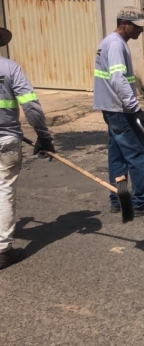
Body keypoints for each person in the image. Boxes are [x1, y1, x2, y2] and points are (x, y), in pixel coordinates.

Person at [93, 7, 144, 216]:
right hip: (121, 110)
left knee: (117, 157)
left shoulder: (109, 42)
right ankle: (142, 202)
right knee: (137, 154)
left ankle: (120, 199)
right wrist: (135, 109)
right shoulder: (116, 45)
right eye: (137, 27)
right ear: (124, 24)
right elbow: (118, 79)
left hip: (111, 108)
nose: (140, 31)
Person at [0, 26, 55, 269]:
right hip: (6, 140)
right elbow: (31, 107)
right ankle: (2, 250)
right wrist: (44, 138)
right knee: (4, 190)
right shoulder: (11, 68)